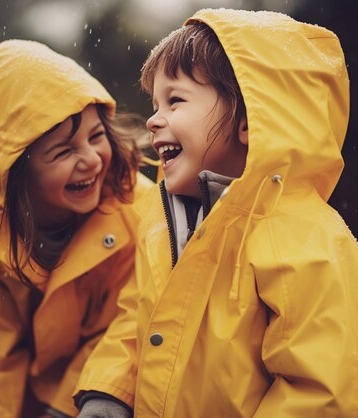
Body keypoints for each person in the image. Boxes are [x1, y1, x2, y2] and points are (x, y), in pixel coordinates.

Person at [74, 8, 358, 418]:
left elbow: (319, 392)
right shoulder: (163, 228)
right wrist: (109, 394)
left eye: (175, 101)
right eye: (154, 103)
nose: (154, 119)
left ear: (247, 120)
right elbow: (136, 326)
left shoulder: (308, 240)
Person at [0, 39, 153, 418]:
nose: (90, 159)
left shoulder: (135, 207)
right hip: (27, 400)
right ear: (15, 173)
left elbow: (131, 319)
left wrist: (68, 406)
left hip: (109, 396)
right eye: (63, 152)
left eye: (96, 136)